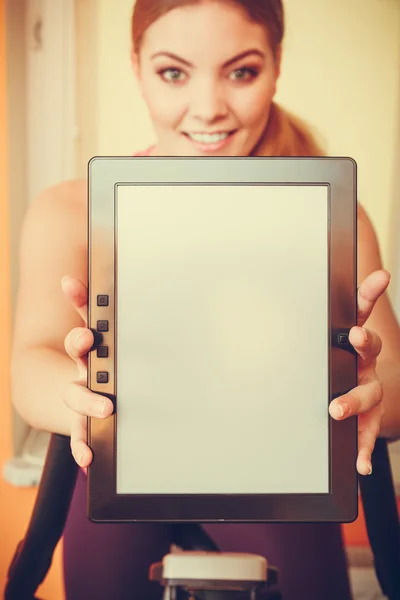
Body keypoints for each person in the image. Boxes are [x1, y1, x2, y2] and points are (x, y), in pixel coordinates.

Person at [10, 1, 400, 598]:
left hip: (277, 460)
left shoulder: (334, 212)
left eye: (241, 71)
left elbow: (393, 395)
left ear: (275, 67)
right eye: (174, 72)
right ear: (137, 66)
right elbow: (30, 361)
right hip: (124, 448)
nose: (210, 106)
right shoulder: (70, 208)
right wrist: (81, 394)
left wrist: (359, 380)